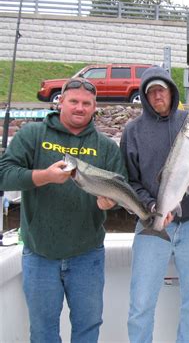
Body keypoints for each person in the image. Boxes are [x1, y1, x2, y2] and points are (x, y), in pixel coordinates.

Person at [0, 78, 125, 342]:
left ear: (94, 108)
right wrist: (43, 176)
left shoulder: (106, 147)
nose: (79, 108)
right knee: (43, 331)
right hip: (40, 254)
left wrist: (110, 202)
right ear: (60, 103)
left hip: (87, 255)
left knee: (88, 328)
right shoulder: (33, 135)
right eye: (74, 101)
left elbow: (119, 188)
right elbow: (4, 174)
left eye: (86, 103)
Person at [122, 65, 189, 343]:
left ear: (172, 91)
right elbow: (130, 181)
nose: (156, 96)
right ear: (143, 96)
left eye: (160, 89)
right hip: (152, 223)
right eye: (150, 92)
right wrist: (153, 207)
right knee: (140, 305)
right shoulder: (133, 131)